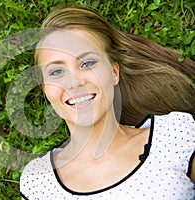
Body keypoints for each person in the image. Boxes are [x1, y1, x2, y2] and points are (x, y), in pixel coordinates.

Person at [20, 5, 195, 199]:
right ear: (46, 90)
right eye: (57, 72)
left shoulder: (175, 135)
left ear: (114, 73)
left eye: (87, 63)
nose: (75, 82)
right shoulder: (38, 182)